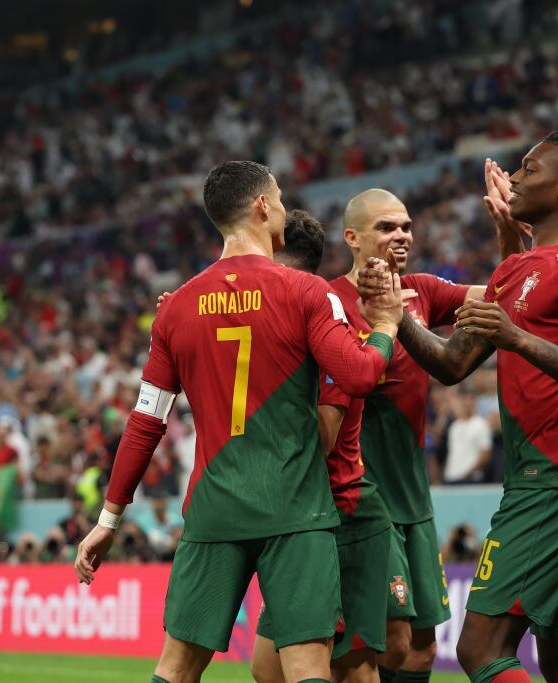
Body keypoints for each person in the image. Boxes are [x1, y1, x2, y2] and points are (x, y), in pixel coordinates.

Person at [73, 161, 404, 683]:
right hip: (295, 510)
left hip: (214, 509)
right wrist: (385, 325)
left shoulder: (176, 308)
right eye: (278, 195)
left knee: (176, 667)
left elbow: (145, 422)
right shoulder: (306, 293)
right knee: (306, 667)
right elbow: (361, 374)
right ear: (262, 207)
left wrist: (108, 520)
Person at [364, 130, 558, 683]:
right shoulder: (513, 269)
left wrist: (519, 340)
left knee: (480, 647)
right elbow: (450, 364)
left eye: (529, 170)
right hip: (543, 476)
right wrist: (396, 317)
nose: (514, 177)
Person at [329, 186, 488, 683]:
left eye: (405, 226)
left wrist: (511, 234)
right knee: (384, 643)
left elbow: (506, 295)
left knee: (421, 647)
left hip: (415, 503)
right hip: (361, 500)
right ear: (352, 238)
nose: (401, 235)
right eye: (386, 227)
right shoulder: (327, 300)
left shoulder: (421, 290)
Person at [251, 209, 395, 683]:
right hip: (299, 518)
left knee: (352, 669)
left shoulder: (329, 329)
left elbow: (323, 436)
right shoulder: (286, 327)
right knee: (267, 671)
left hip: (342, 514)